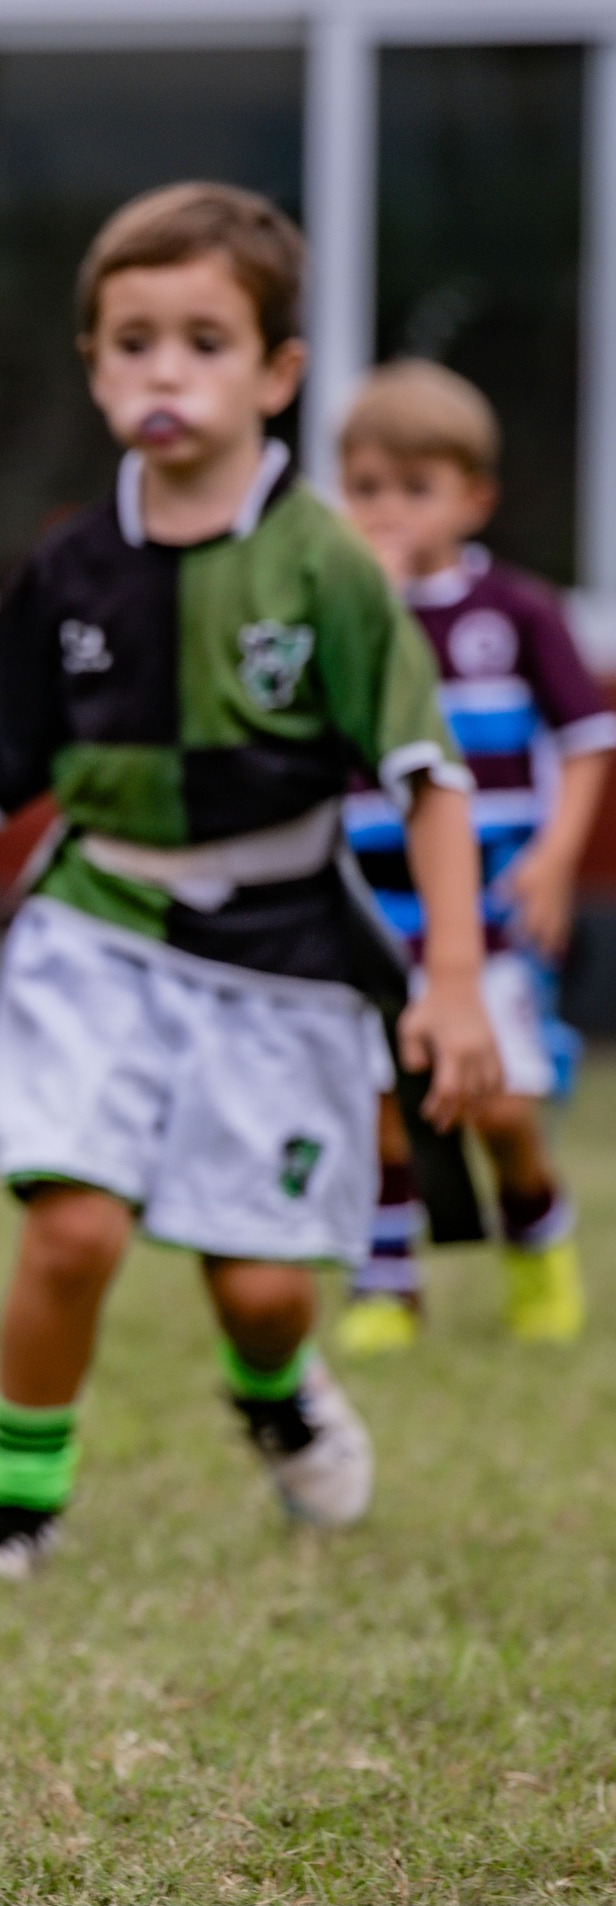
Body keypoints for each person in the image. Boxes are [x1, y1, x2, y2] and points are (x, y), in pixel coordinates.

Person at [0, 183, 502, 1582]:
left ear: (276, 373)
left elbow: (428, 778)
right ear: (93, 367)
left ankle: (276, 1388)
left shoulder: (330, 563)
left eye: (205, 340)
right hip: (100, 918)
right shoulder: (68, 564)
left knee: (261, 1288)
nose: (165, 369)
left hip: (282, 945)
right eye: (133, 340)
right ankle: (17, 1503)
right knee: (72, 1225)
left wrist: (450, 980)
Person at [334, 361, 615, 1354]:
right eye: (364, 488)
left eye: (414, 488)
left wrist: (551, 857)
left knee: (496, 1107)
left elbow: (586, 740)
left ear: (471, 496)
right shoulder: (342, 613)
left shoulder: (516, 610)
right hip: (369, 914)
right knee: (378, 1107)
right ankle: (383, 1284)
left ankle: (535, 1236)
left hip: (486, 912)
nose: (387, 509)